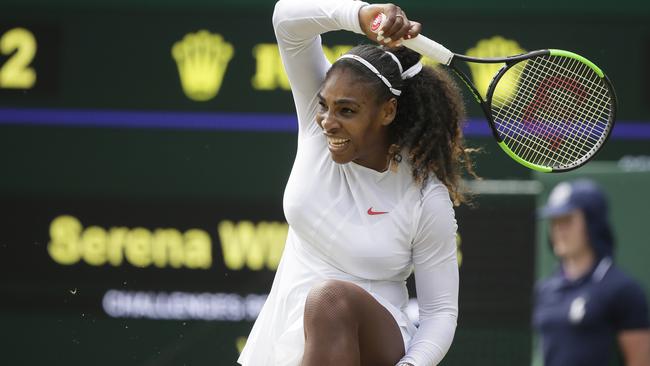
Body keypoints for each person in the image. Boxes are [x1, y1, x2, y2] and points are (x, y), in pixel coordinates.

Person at [238, 0, 476, 365]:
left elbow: (440, 313)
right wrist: (359, 15)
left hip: (376, 344)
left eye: (346, 110)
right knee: (325, 300)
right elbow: (285, 19)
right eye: (324, 106)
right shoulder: (317, 128)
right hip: (279, 341)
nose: (328, 122)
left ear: (387, 111)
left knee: (329, 299)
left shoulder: (425, 197)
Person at [533, 179, 650, 366]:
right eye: (554, 221)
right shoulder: (545, 289)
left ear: (591, 223)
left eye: (567, 220)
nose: (558, 230)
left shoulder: (624, 290)